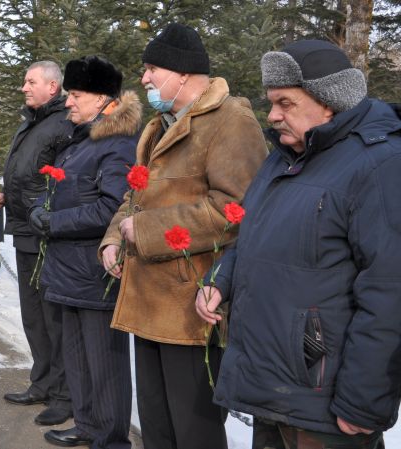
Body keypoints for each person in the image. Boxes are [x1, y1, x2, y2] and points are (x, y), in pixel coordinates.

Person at [195, 40, 401, 449]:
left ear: (329, 103)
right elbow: (254, 235)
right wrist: (221, 279)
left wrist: (363, 403)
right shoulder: (284, 156)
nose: (272, 115)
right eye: (271, 103)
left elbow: (390, 293)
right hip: (270, 385)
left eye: (285, 103)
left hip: (325, 403)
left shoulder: (381, 163)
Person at [99, 23, 267, 449]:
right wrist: (114, 237)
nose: (144, 78)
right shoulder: (161, 124)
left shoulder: (231, 121)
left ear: (184, 73)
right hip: (149, 300)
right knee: (157, 427)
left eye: (152, 69)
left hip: (193, 306)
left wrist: (145, 230)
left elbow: (236, 210)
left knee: (194, 433)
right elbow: (135, 194)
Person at [31, 55, 140, 448]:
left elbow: (112, 207)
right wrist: (40, 208)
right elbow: (65, 190)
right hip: (69, 270)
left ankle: (111, 438)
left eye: (76, 94)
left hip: (96, 273)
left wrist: (54, 222)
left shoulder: (117, 144)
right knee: (78, 358)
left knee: (104, 362)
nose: (69, 101)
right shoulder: (82, 140)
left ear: (102, 99)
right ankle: (88, 425)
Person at [0, 61, 74, 426]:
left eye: (30, 81)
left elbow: (64, 179)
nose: (24, 87)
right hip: (24, 230)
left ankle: (65, 396)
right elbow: (27, 175)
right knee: (33, 316)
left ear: (52, 86)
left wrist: (45, 214)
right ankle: (42, 383)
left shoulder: (64, 124)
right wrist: (4, 195)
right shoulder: (30, 123)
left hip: (48, 234)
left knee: (55, 319)